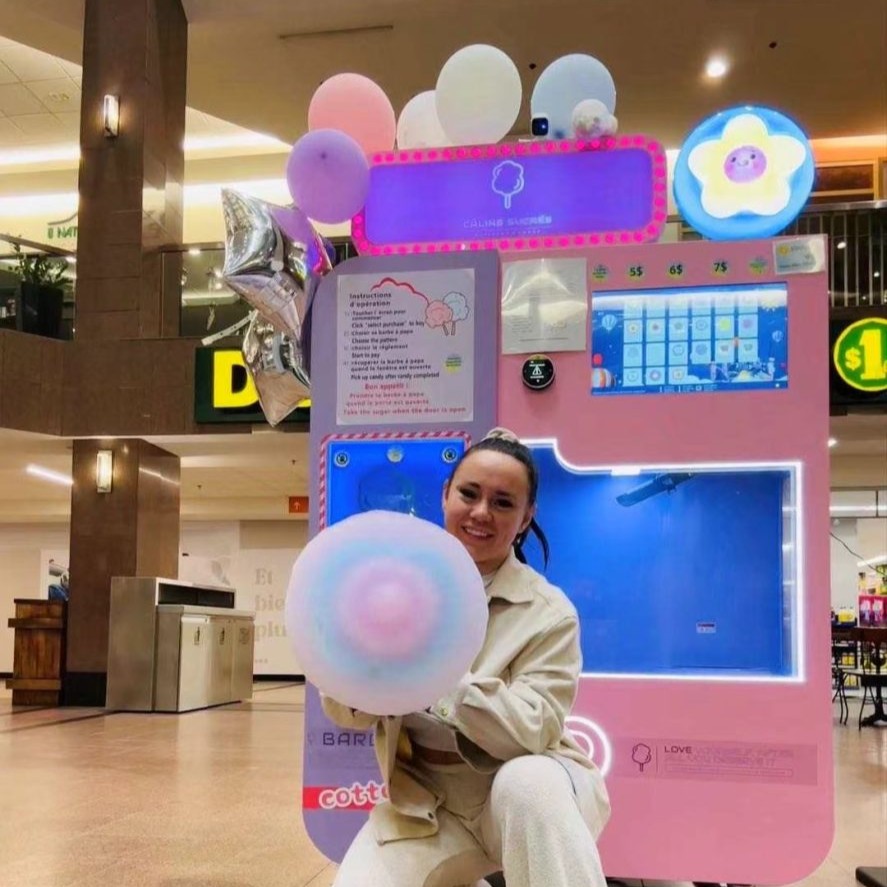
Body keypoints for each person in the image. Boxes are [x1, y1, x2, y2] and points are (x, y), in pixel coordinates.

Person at [322, 428, 611, 887]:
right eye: (469, 494)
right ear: (445, 494)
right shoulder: (389, 590)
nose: (480, 513)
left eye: (503, 502)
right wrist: (357, 670)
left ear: (526, 517)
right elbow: (344, 712)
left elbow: (533, 729)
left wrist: (435, 676)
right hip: (426, 806)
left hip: (528, 798)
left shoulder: (548, 612)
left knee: (527, 781)